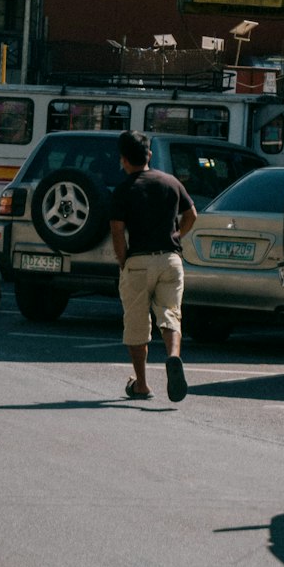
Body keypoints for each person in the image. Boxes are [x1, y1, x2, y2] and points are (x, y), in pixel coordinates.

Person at [108, 130, 197, 402]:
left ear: (123, 160)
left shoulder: (123, 190)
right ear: (149, 155)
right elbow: (191, 215)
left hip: (138, 261)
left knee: (136, 324)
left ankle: (142, 385)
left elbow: (117, 232)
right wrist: (176, 236)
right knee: (171, 314)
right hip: (170, 259)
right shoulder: (170, 182)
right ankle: (172, 357)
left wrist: (124, 262)